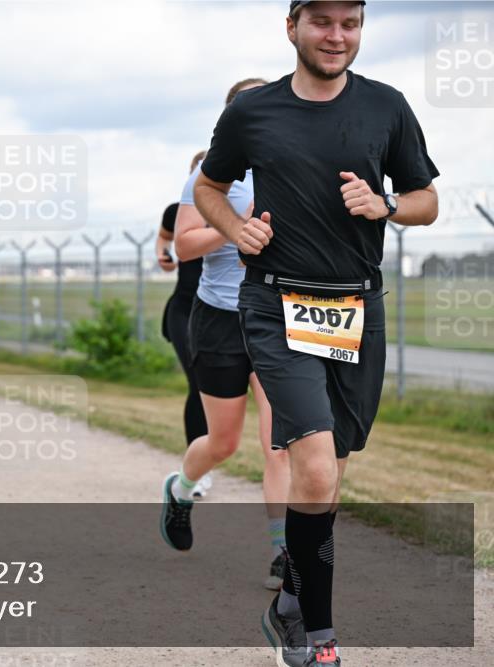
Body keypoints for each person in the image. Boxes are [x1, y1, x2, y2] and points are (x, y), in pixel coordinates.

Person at [193, 2, 439, 664]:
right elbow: (211, 186)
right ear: (293, 26)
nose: (337, 36)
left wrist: (386, 204)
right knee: (316, 464)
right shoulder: (252, 112)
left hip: (357, 308)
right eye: (323, 21)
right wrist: (234, 228)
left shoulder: (386, 107)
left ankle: (287, 603)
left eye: (350, 23)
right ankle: (317, 638)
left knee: (329, 479)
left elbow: (427, 200)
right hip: (276, 305)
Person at [160, 78, 292, 590]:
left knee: (280, 442)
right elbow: (184, 247)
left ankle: (284, 552)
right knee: (222, 441)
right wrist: (235, 225)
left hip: (278, 317)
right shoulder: (210, 175)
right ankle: (181, 488)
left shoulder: (295, 165)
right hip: (219, 317)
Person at [157, 150, 209, 499]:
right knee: (199, 384)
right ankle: (198, 472)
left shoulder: (238, 210)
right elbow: (164, 238)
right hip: (185, 310)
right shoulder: (177, 212)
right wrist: (164, 255)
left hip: (222, 311)